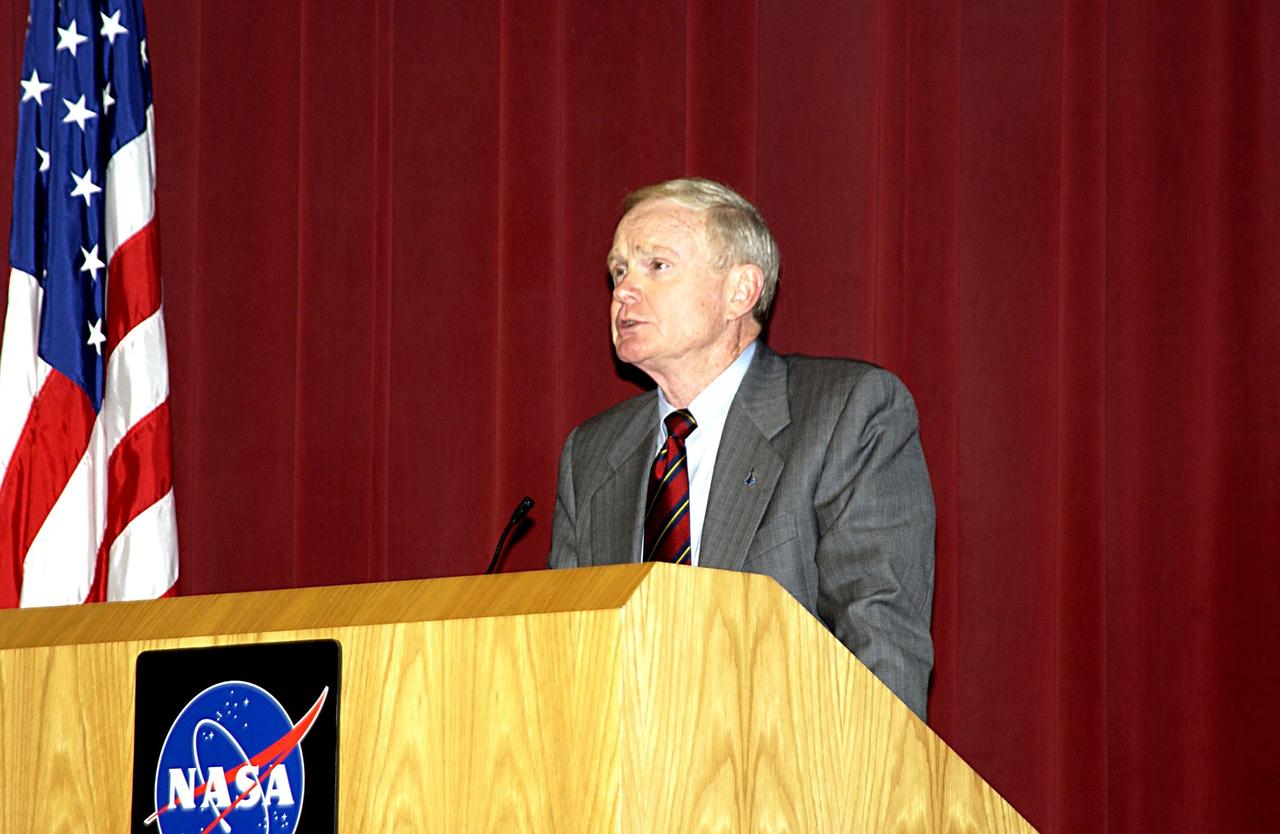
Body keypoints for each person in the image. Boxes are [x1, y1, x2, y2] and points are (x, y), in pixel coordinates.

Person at [547, 178, 936, 720]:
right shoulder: (590, 453)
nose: (623, 291)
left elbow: (879, 638)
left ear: (741, 291)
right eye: (618, 271)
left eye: (655, 265)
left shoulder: (845, 413)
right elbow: (562, 653)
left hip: (790, 781)